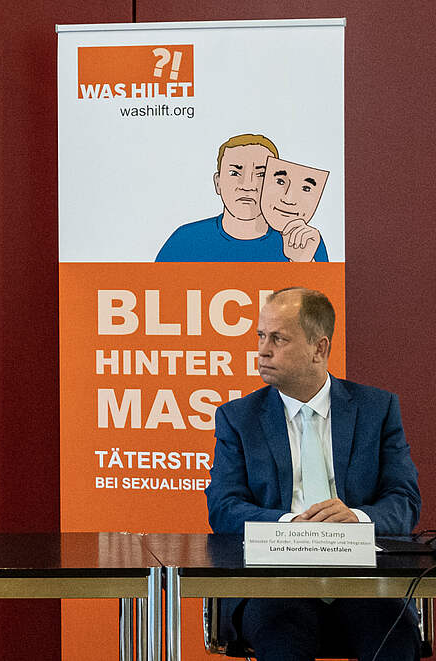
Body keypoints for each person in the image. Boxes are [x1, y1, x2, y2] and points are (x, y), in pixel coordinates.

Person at [206, 288, 420, 661]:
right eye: (261, 336)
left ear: (319, 349)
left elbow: (404, 502)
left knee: (394, 639)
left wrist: (356, 518)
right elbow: (223, 508)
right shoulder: (238, 418)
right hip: (274, 585)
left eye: (278, 339)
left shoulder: (378, 408)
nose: (262, 351)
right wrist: (292, 525)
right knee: (284, 639)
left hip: (364, 582)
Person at [155, 133, 328, 262]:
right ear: (218, 183)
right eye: (234, 173)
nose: (247, 185)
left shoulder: (303, 241)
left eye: (261, 174)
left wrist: (301, 264)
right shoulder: (185, 240)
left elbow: (323, 300)